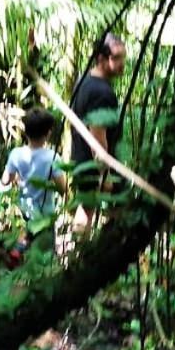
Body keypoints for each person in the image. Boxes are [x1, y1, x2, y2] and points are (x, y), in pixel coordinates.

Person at [71, 32, 126, 233]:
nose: (122, 63)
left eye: (123, 57)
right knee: (119, 211)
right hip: (97, 165)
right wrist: (106, 174)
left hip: (81, 160)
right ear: (101, 59)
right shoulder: (102, 93)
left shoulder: (84, 81)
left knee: (86, 208)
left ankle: (77, 254)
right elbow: (98, 138)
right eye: (116, 58)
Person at [1, 108, 66, 259]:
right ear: (48, 133)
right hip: (46, 210)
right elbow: (63, 188)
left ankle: (18, 252)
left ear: (25, 132)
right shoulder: (53, 157)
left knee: (30, 230)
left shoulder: (16, 154)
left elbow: (5, 180)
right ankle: (37, 266)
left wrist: (17, 178)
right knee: (45, 246)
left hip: (25, 206)